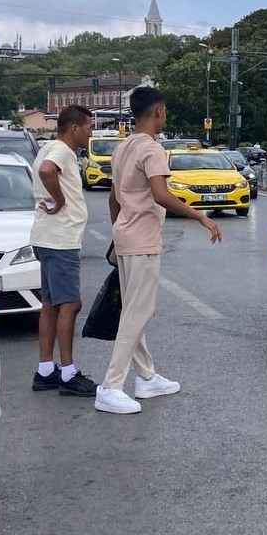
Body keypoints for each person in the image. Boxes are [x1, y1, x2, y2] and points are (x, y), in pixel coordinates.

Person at [96, 86, 223, 415]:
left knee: (132, 309)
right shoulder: (152, 150)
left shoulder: (123, 148)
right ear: (157, 112)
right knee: (139, 312)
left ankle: (147, 377)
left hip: (125, 237)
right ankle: (111, 386)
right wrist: (202, 217)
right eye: (164, 111)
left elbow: (113, 198)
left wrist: (117, 231)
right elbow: (161, 194)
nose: (165, 116)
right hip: (142, 241)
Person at [30, 105, 98, 396]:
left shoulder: (46, 147)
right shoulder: (61, 151)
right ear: (74, 129)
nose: (90, 132)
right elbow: (48, 172)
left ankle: (46, 369)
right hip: (60, 240)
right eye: (88, 128)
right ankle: (68, 373)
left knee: (51, 304)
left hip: (46, 237)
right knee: (70, 304)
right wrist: (59, 200)